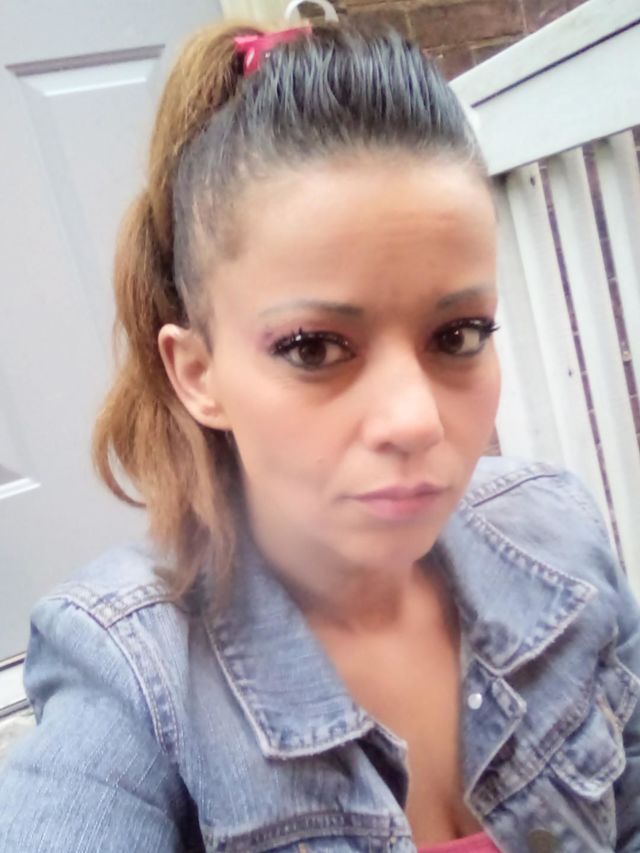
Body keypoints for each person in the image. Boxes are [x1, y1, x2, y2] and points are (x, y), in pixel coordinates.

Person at [0, 10, 638, 853]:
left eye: (458, 335)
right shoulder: (132, 678)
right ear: (198, 373)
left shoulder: (560, 533)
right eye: (314, 347)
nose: (414, 420)